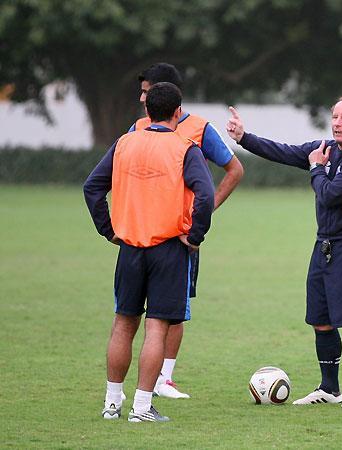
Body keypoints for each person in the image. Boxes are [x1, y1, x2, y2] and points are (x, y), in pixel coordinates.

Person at [226, 96, 342, 407]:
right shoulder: (325, 148)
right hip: (323, 245)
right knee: (320, 319)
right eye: (334, 116)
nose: (337, 123)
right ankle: (330, 388)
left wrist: (316, 167)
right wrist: (244, 138)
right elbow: (283, 152)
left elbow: (331, 195)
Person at [84, 82, 215, 422]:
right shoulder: (185, 148)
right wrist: (196, 235)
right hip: (169, 248)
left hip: (130, 249)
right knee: (156, 327)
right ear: (178, 112)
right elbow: (205, 195)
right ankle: (142, 407)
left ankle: (112, 404)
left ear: (146, 110)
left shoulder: (124, 143)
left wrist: (108, 229)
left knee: (123, 323)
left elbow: (92, 187)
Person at [131, 63, 243, 398]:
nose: (142, 98)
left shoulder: (199, 128)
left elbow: (235, 169)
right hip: (140, 234)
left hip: (180, 236)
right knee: (129, 314)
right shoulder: (137, 128)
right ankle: (129, 388)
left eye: (147, 92)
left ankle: (164, 379)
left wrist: (204, 212)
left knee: (175, 309)